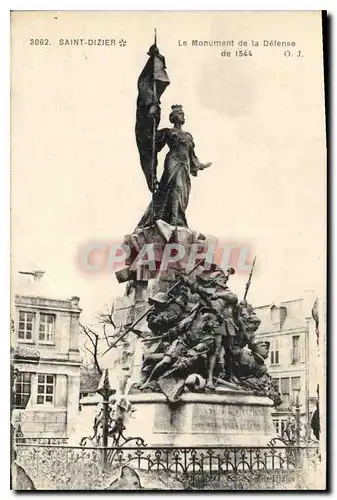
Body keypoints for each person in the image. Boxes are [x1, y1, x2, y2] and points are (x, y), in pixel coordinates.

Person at [137, 104, 211, 228]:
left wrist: (201, 165)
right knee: (176, 187)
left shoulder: (188, 136)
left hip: (185, 165)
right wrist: (151, 117)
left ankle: (178, 217)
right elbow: (152, 140)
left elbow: (192, 155)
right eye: (180, 114)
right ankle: (174, 219)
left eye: (183, 114)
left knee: (183, 191)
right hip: (173, 161)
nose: (182, 116)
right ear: (173, 117)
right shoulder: (168, 132)